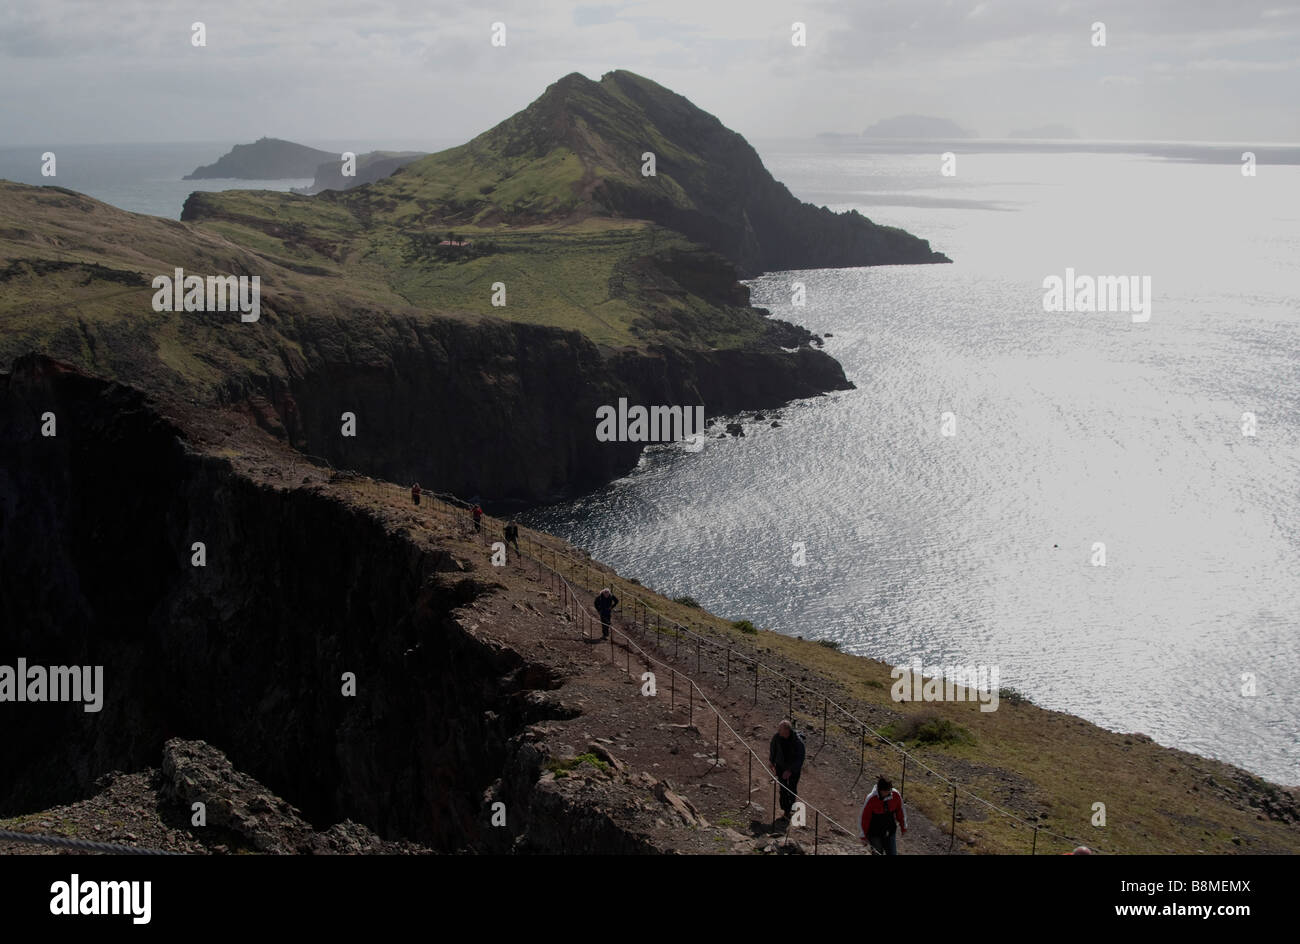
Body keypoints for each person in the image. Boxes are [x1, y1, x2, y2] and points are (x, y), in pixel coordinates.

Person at [858, 776, 906, 854]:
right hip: (875, 833)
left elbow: (900, 811)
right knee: (877, 853)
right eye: (886, 791)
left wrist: (903, 826)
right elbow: (864, 818)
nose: (888, 793)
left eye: (889, 790)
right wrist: (863, 836)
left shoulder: (895, 795)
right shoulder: (871, 799)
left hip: (890, 831)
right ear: (880, 790)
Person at [768, 720, 805, 819]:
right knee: (783, 790)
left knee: (792, 789)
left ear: (786, 731)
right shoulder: (777, 737)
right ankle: (786, 811)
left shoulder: (797, 741)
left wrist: (790, 770)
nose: (778, 731)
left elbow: (800, 759)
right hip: (780, 766)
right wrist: (771, 761)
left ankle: (792, 808)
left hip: (793, 770)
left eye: (780, 729)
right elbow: (773, 748)